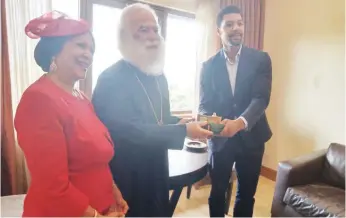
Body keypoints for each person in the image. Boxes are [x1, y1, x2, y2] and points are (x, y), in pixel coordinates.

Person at [92, 3, 213, 217]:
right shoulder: (111, 79)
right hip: (125, 176)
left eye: (155, 29)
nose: (153, 36)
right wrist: (183, 131)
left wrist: (180, 122)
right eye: (143, 29)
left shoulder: (158, 76)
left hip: (156, 169)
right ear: (125, 37)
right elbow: (130, 131)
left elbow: (160, 118)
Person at [14, 11, 128, 217]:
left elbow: (96, 158)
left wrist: (113, 189)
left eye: (91, 49)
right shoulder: (38, 99)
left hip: (102, 207)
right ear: (55, 49)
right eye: (81, 45)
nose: (88, 55)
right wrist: (94, 215)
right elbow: (52, 185)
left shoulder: (82, 98)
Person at [198, 5, 273, 217]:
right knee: (218, 191)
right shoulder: (208, 67)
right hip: (220, 141)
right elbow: (204, 105)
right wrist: (217, 126)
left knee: (246, 194)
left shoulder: (260, 59)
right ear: (219, 31)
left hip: (252, 137)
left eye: (240, 23)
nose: (236, 28)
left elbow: (261, 99)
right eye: (229, 24)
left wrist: (238, 123)